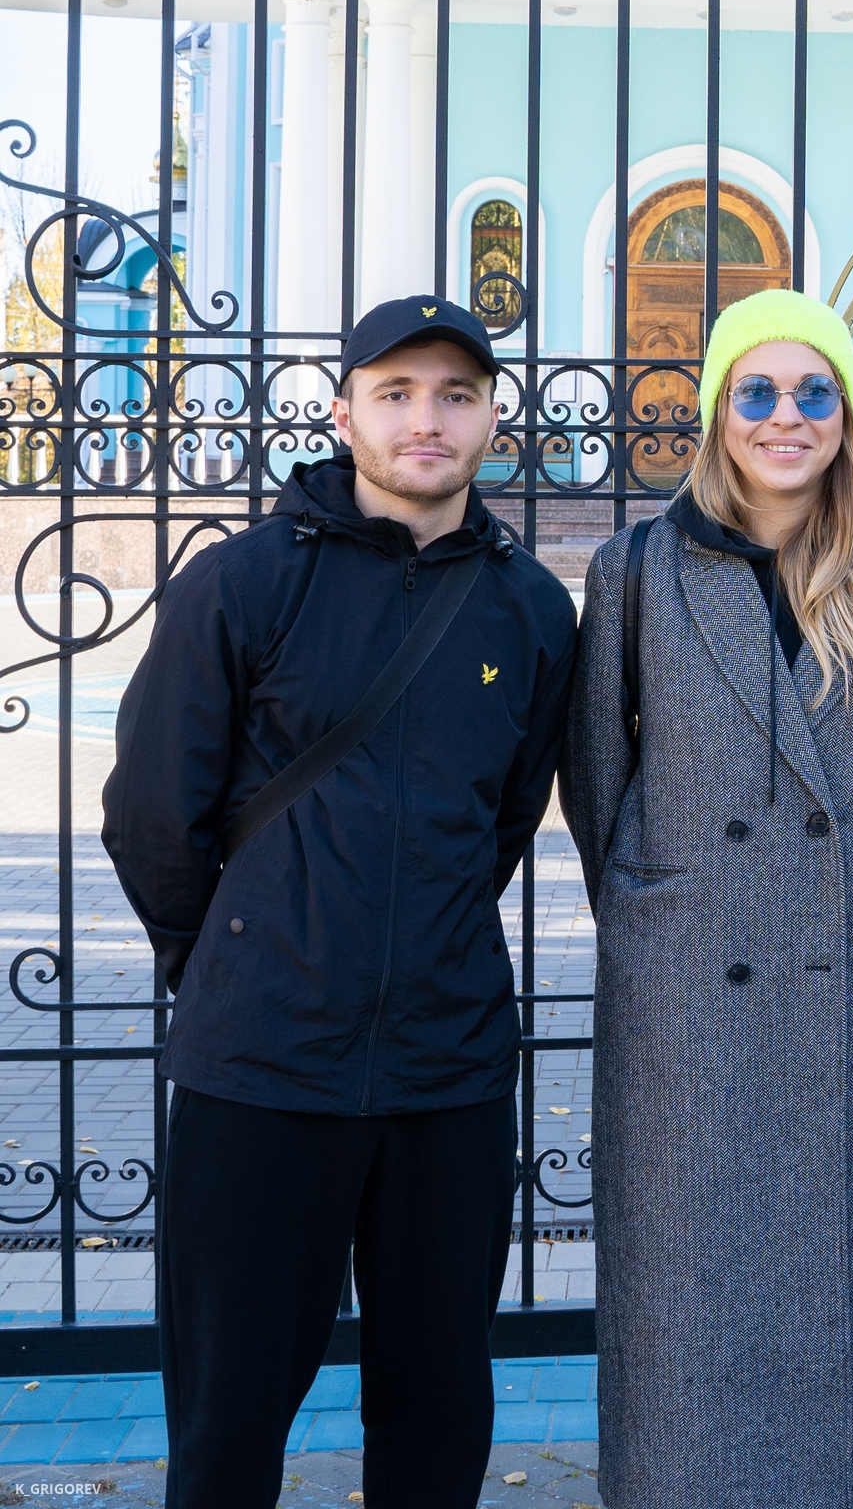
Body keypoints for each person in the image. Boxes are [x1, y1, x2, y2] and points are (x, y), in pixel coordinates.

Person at [101, 296, 578, 1505]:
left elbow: (503, 821)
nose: (428, 420)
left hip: (447, 1071)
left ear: (492, 420)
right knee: (229, 1423)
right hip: (262, 1066)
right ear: (342, 412)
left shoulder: (529, 608)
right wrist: (234, 960)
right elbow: (153, 812)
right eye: (396, 393)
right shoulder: (244, 583)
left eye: (457, 396)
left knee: (437, 1418)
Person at [561, 288, 853, 1509]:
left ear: (846, 413)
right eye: (757, 391)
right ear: (717, 411)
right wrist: (663, 906)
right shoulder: (640, 566)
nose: (786, 417)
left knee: (847, 1273)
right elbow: (598, 778)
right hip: (689, 986)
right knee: (685, 1278)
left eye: (813, 391)